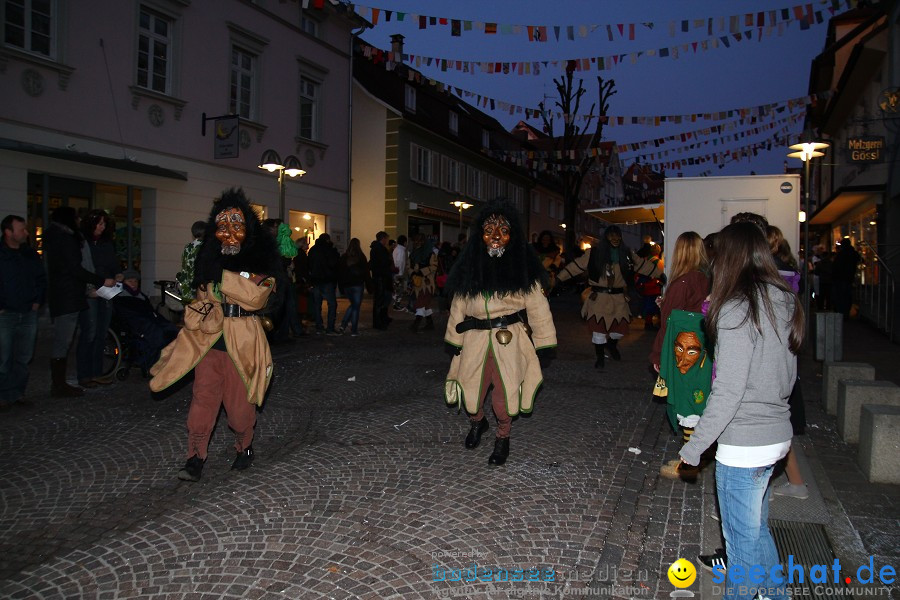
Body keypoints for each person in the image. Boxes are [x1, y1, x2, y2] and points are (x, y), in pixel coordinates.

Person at [679, 221, 804, 600]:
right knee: (757, 530)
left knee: (741, 549)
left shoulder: (737, 308)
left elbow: (728, 391)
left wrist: (694, 447)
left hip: (745, 444)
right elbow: (789, 375)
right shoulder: (783, 299)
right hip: (777, 437)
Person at [150, 188, 279, 481]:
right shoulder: (207, 264)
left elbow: (256, 297)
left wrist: (219, 281)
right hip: (209, 345)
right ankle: (194, 457)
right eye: (222, 227)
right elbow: (199, 297)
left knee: (238, 408)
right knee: (202, 400)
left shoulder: (260, 264)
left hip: (242, 345)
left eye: (237, 226)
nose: (230, 233)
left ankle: (244, 446)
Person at [443, 200, 557, 466]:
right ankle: (477, 422)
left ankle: (503, 436)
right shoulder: (469, 269)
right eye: (489, 229)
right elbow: (458, 306)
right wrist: (454, 340)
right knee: (470, 391)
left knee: (503, 397)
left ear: (511, 236)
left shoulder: (522, 270)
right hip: (474, 340)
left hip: (509, 341)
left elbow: (539, 309)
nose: (496, 236)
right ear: (480, 235)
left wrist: (545, 343)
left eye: (503, 230)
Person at [649, 232, 711, 480]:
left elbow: (668, 324)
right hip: (701, 350)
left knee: (686, 404)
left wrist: (657, 355)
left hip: (682, 352)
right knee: (697, 400)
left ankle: (689, 463)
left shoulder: (681, 282)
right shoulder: (704, 279)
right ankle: (697, 455)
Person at [43, 206, 116, 398]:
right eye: (99, 223)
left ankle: (91, 373)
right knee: (82, 335)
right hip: (75, 294)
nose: (102, 227)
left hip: (82, 292)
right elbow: (76, 268)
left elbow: (106, 263)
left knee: (96, 333)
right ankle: (72, 380)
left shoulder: (74, 239)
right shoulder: (71, 239)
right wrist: (94, 286)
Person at [555, 225, 636, 368]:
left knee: (619, 330)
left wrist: (660, 274)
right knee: (599, 330)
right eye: (612, 236)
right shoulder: (593, 254)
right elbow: (576, 266)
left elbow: (642, 264)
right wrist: (559, 278)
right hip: (599, 298)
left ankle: (611, 345)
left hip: (618, 299)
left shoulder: (627, 254)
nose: (615, 239)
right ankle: (600, 357)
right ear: (606, 237)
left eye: (617, 236)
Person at [0, 215, 46, 410]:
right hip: (6, 313)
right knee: (4, 357)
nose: (26, 233)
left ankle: (17, 393)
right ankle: (3, 395)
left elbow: (41, 279)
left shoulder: (29, 254)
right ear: (8, 232)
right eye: (22, 230)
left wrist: (37, 301)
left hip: (28, 312)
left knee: (23, 357)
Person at [78, 210, 123, 388]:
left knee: (101, 333)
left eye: (104, 224)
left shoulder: (106, 243)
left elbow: (113, 263)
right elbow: (80, 269)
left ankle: (97, 373)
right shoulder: (82, 243)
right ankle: (84, 374)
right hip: (91, 292)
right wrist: (89, 289)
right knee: (89, 332)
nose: (101, 227)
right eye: (99, 224)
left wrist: (118, 274)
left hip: (106, 291)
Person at [113, 268, 179, 374]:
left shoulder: (141, 296)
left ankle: (169, 361)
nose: (133, 284)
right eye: (130, 281)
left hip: (148, 320)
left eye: (135, 281)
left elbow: (151, 312)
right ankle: (155, 364)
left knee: (172, 329)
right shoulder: (121, 296)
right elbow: (128, 316)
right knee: (158, 334)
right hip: (136, 324)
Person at [307, 232, 340, 335]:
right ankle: (330, 328)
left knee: (317, 305)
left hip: (316, 280)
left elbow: (309, 265)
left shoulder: (313, 250)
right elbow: (334, 264)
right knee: (332, 304)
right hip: (327, 280)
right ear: (328, 240)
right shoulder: (329, 250)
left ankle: (319, 327)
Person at [337, 238, 370, 336]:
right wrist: (369, 285)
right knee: (355, 306)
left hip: (347, 285)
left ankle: (344, 325)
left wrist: (341, 286)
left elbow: (340, 273)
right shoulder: (361, 257)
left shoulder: (344, 257)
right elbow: (366, 273)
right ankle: (353, 329)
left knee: (354, 305)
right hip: (357, 284)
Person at [407, 233, 439, 332]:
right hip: (416, 283)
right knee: (425, 304)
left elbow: (434, 266)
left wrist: (423, 271)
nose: (417, 243)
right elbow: (408, 266)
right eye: (416, 241)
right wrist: (412, 273)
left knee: (420, 303)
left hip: (427, 283)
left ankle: (415, 325)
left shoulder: (430, 253)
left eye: (419, 241)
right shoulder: (413, 254)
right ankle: (430, 324)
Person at [633, 242, 665, 330]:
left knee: (647, 305)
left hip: (645, 287)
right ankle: (653, 324)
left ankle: (648, 322)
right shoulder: (659, 262)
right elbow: (661, 275)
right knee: (656, 306)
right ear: (658, 252)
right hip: (654, 287)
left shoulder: (645, 260)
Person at [175, 220, 206, 303]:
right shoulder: (205, 248)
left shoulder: (187, 247)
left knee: (189, 314)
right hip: (199, 290)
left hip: (186, 289)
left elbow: (184, 266)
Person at [369, 231, 393, 330]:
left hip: (380, 277)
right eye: (386, 239)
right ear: (383, 239)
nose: (387, 241)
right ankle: (378, 323)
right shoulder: (380, 249)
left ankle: (381, 320)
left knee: (381, 300)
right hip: (381, 278)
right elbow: (383, 263)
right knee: (379, 301)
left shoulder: (377, 249)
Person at [832, 241, 859, 318]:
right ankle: (845, 312)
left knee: (841, 297)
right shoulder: (853, 253)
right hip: (849, 278)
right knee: (847, 296)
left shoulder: (841, 255)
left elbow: (836, 267)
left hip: (841, 279)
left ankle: (842, 313)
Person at [392, 234, 408, 310]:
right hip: (399, 273)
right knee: (399, 290)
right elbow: (400, 262)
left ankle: (396, 304)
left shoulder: (396, 249)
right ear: (404, 242)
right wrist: (400, 273)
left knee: (396, 289)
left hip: (395, 272)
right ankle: (396, 305)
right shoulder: (401, 250)